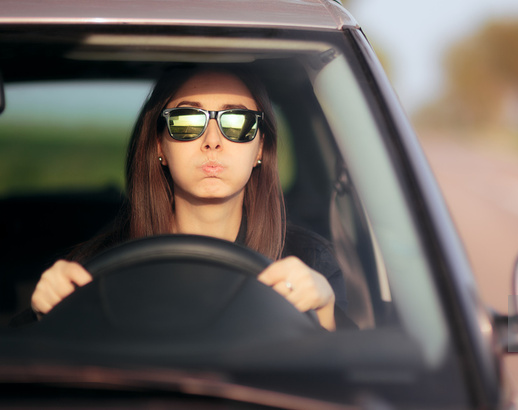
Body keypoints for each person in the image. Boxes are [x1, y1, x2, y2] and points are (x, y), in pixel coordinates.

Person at [28, 66, 345, 331]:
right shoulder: (91, 270)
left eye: (236, 121)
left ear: (260, 148)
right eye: (186, 120)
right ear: (159, 147)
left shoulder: (308, 263)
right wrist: (47, 319)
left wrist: (325, 311)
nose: (212, 141)